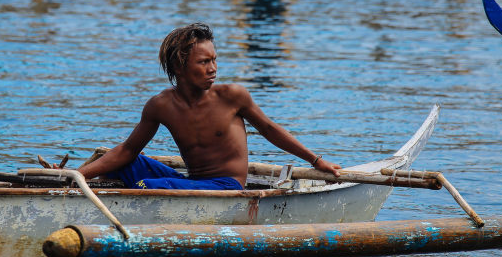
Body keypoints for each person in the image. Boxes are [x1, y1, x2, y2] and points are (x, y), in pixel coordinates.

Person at [74, 23, 342, 190]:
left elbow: (271, 129)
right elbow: (128, 150)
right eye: (203, 62)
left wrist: (317, 161)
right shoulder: (160, 105)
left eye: (214, 60)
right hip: (194, 183)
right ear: (179, 66)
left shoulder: (232, 96)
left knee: (149, 185)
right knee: (118, 162)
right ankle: (76, 188)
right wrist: (75, 175)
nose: (213, 68)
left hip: (226, 186)